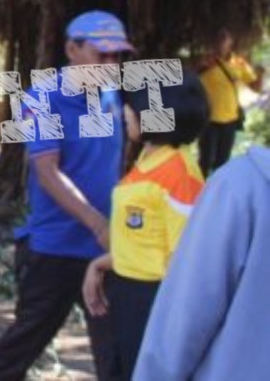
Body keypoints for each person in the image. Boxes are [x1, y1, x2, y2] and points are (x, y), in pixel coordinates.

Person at [0, 10, 133, 381]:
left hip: (105, 250)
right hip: (55, 249)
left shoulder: (113, 96)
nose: (111, 64)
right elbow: (47, 172)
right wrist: (97, 223)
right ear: (72, 50)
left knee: (115, 350)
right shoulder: (42, 99)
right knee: (25, 343)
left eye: (117, 56)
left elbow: (117, 161)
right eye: (102, 54)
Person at [81, 71, 208, 379]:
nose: (125, 111)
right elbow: (146, 240)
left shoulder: (179, 174)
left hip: (154, 300)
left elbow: (185, 256)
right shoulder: (147, 161)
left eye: (134, 105)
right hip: (127, 291)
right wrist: (102, 264)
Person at [131, 144, 270, 380]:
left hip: (157, 281)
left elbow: (188, 310)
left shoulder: (232, 184)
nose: (125, 115)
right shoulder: (145, 162)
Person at [196, 29, 264, 175]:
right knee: (205, 160)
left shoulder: (238, 62)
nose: (221, 43)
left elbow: (255, 87)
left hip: (230, 120)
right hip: (209, 119)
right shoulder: (205, 61)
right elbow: (190, 75)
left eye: (224, 39)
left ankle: (219, 193)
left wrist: (260, 74)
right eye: (218, 39)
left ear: (230, 43)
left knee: (223, 162)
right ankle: (199, 193)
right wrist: (202, 66)